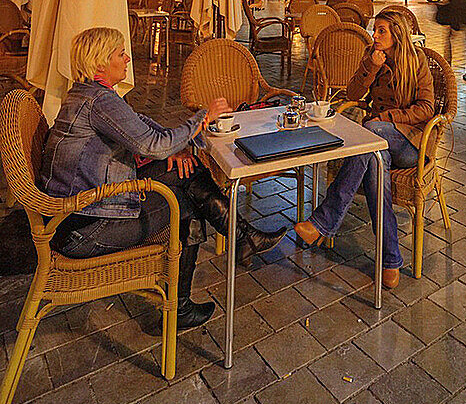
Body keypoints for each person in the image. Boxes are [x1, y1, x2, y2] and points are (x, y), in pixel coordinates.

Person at [41, 27, 287, 330]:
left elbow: (148, 132)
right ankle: (194, 291)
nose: (128, 58)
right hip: (85, 229)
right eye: (121, 54)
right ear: (99, 62)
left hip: (81, 214)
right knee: (190, 201)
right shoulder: (98, 102)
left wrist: (175, 149)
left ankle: (239, 239)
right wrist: (201, 119)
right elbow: (151, 144)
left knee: (188, 171)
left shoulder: (90, 95)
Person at [293, 9, 434, 290]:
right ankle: (391, 259)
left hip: (409, 145)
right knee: (374, 158)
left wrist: (388, 119)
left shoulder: (416, 61)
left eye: (381, 31)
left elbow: (427, 108)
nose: (375, 35)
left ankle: (324, 221)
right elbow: (354, 94)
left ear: (396, 33)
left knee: (371, 133)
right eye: (375, 30)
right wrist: (370, 66)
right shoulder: (372, 55)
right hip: (379, 144)